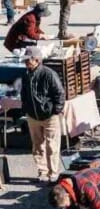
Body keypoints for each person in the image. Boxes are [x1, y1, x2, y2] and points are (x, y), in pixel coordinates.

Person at [20, 46, 65, 182]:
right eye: (25, 60)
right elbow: (24, 93)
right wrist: (26, 108)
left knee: (52, 146)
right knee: (37, 146)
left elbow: (60, 93)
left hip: (49, 116)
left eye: (29, 60)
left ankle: (53, 173)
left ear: (37, 60)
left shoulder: (48, 74)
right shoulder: (26, 75)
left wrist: (55, 110)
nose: (26, 63)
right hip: (33, 116)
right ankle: (42, 172)